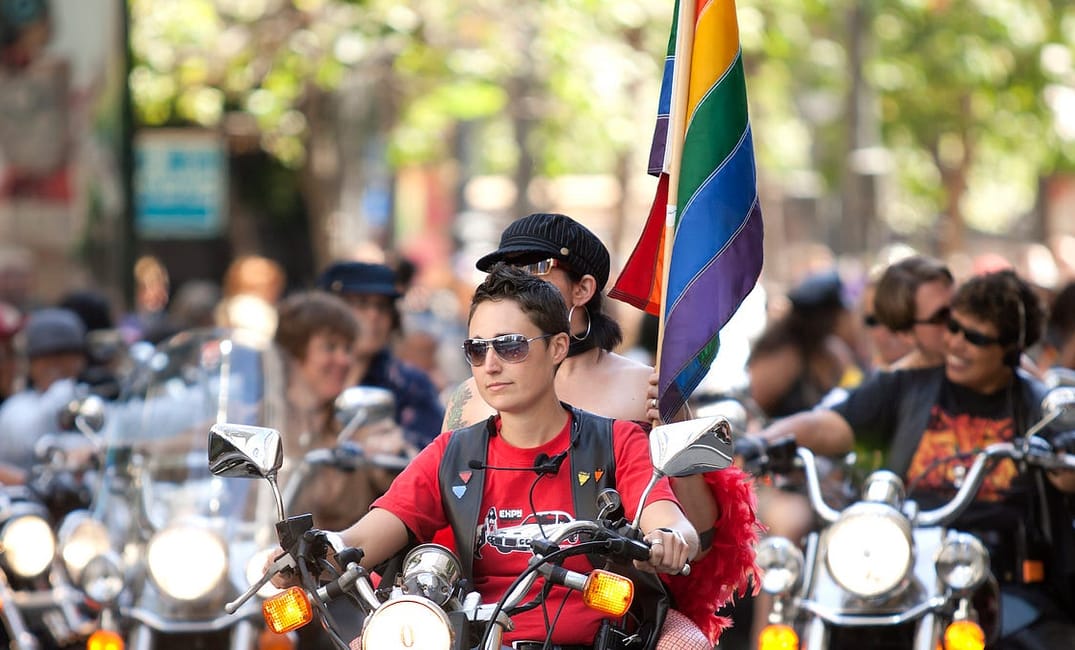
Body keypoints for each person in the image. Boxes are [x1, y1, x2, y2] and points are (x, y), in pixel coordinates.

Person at [300, 265, 698, 648]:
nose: (491, 365)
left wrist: (670, 539)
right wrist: (309, 552)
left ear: (558, 347)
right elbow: (362, 537)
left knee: (688, 644)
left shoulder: (617, 440)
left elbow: (673, 523)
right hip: (467, 638)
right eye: (476, 350)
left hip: (603, 638)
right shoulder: (450, 453)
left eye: (511, 346)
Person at [444, 212, 758, 646]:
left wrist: (671, 428)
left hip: (615, 611)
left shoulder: (646, 390)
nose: (515, 282)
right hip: (484, 612)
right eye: (504, 272)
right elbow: (428, 513)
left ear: (584, 289)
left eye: (534, 267)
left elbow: (699, 542)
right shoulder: (472, 394)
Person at [759, 270, 1075, 647]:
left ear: (1010, 349)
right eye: (954, 327)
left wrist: (1064, 462)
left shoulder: (1035, 404)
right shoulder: (909, 386)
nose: (955, 343)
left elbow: (1066, 461)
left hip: (1000, 575)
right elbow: (831, 424)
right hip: (904, 563)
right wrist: (761, 442)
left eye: (974, 337)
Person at [317, 261, 443, 450]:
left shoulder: (409, 384)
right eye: (361, 303)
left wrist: (399, 447)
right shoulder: (300, 372)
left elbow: (436, 455)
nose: (374, 315)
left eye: (382, 306)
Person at [747, 269, 863, 420]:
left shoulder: (833, 351)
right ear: (828, 318)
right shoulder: (786, 358)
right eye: (842, 313)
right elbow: (752, 411)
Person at [0, 307, 86, 484]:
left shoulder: (90, 399)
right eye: (45, 357)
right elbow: (25, 438)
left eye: (65, 355)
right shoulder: (17, 407)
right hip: (27, 506)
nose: (56, 365)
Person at [872, 254, 954, 370]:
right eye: (942, 316)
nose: (959, 320)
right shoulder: (895, 385)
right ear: (906, 334)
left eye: (960, 305)